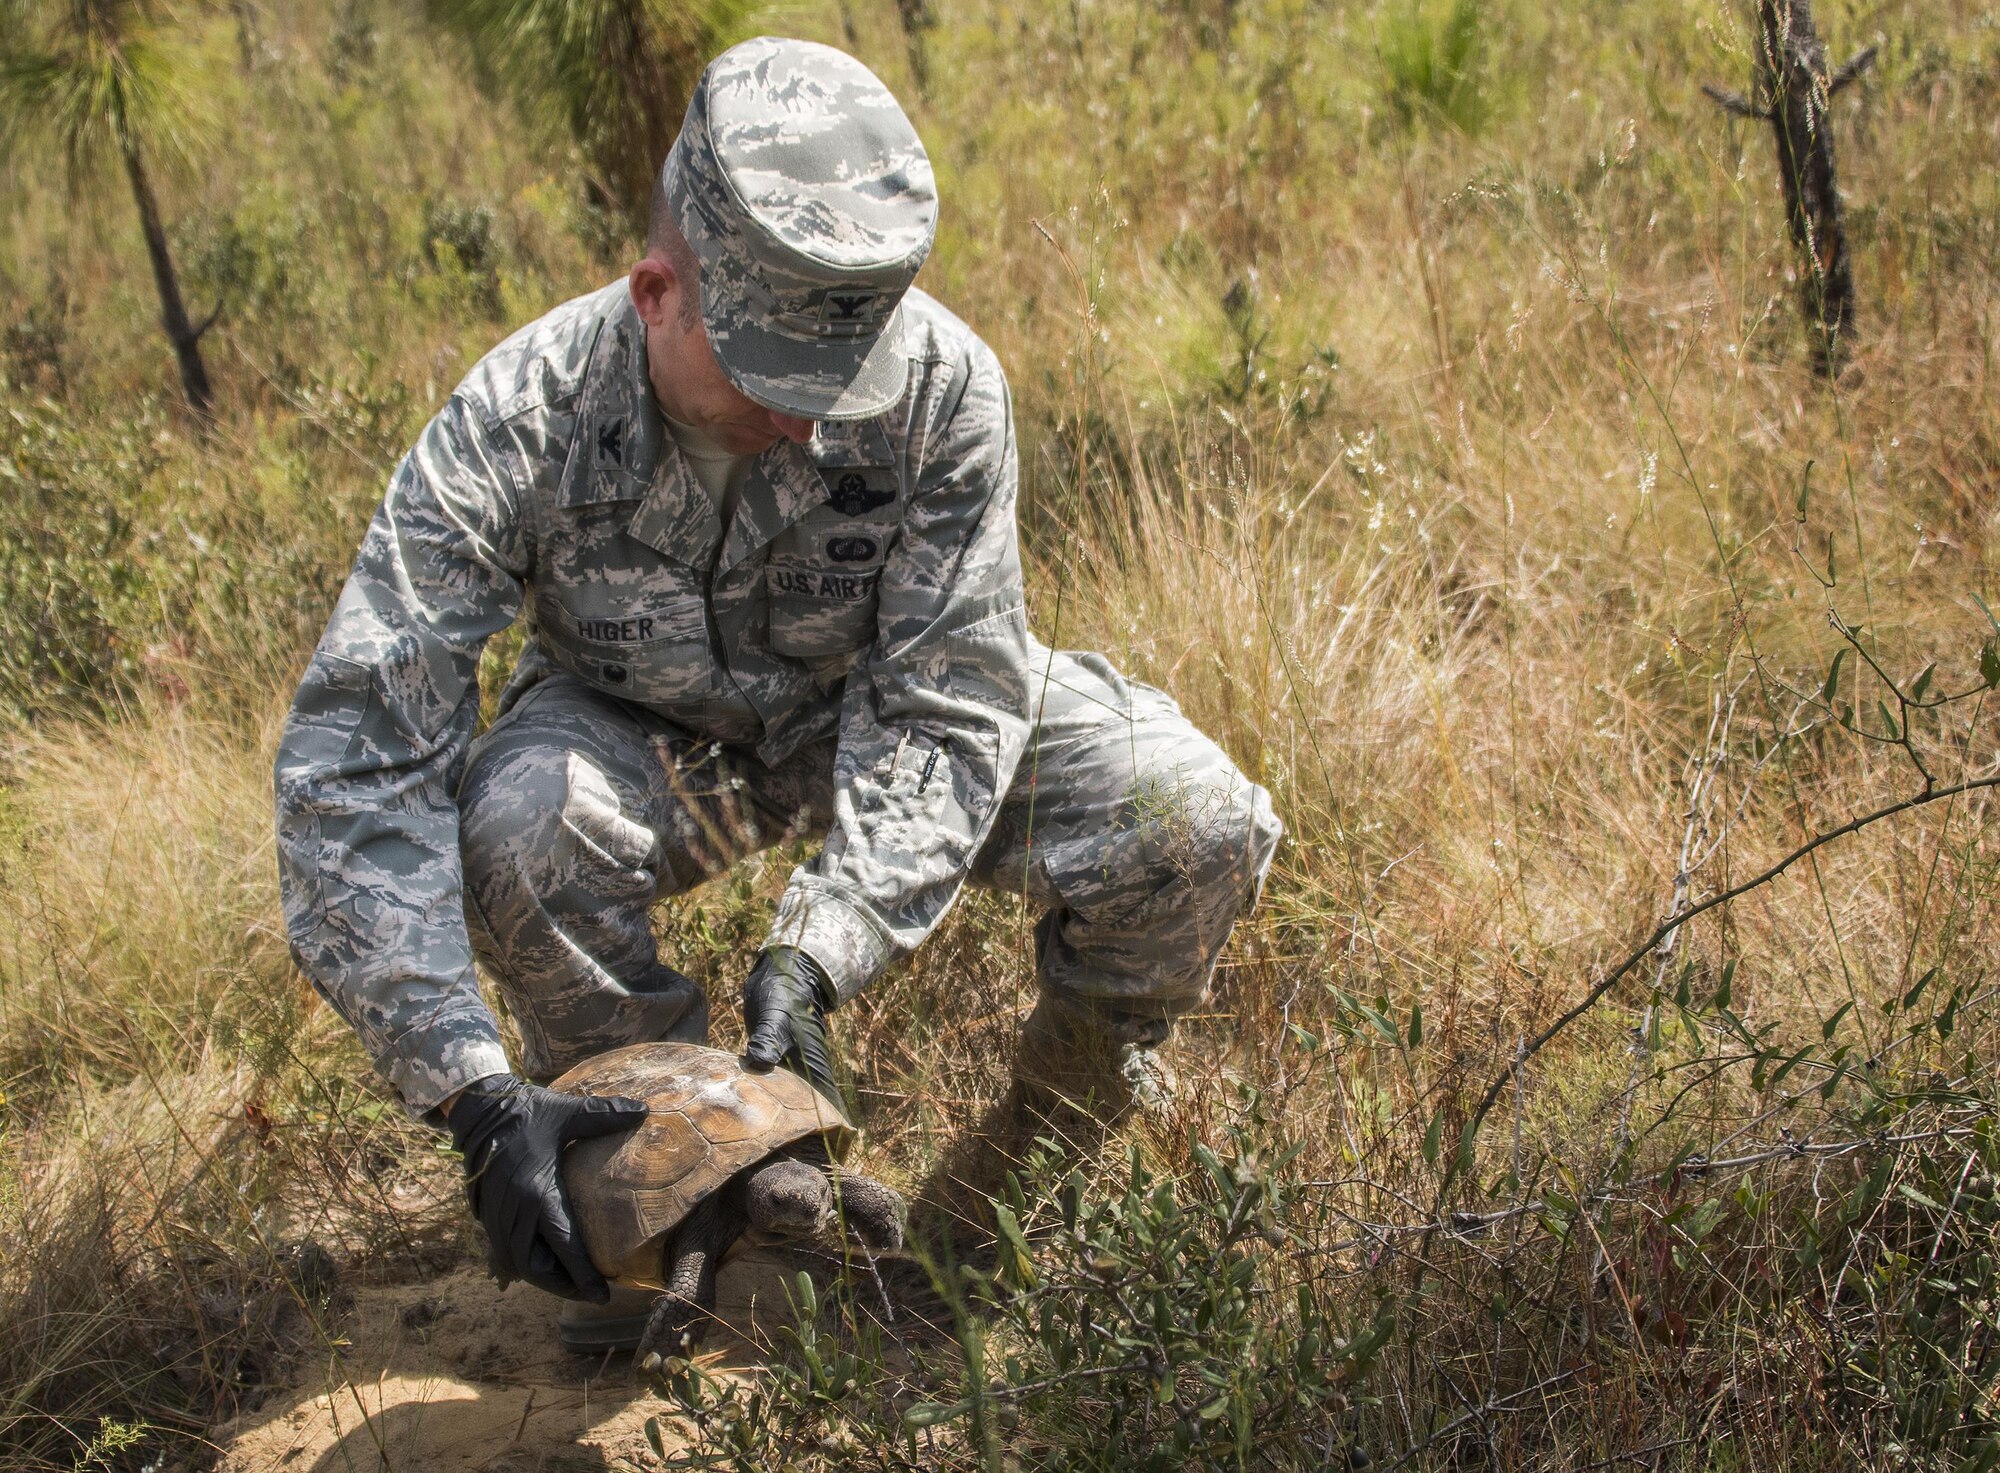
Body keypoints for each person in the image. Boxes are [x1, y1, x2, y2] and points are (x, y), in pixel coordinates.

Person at [273, 35, 1280, 1351]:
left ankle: (977, 1236)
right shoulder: (518, 416)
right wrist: (468, 1090)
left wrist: (823, 946)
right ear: (656, 293)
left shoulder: (942, 387)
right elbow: (357, 762)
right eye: (774, 383)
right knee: (517, 827)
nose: (811, 425)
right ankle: (677, 1189)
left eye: (837, 384)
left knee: (1189, 822)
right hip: (639, 731)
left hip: (884, 699)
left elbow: (946, 697)